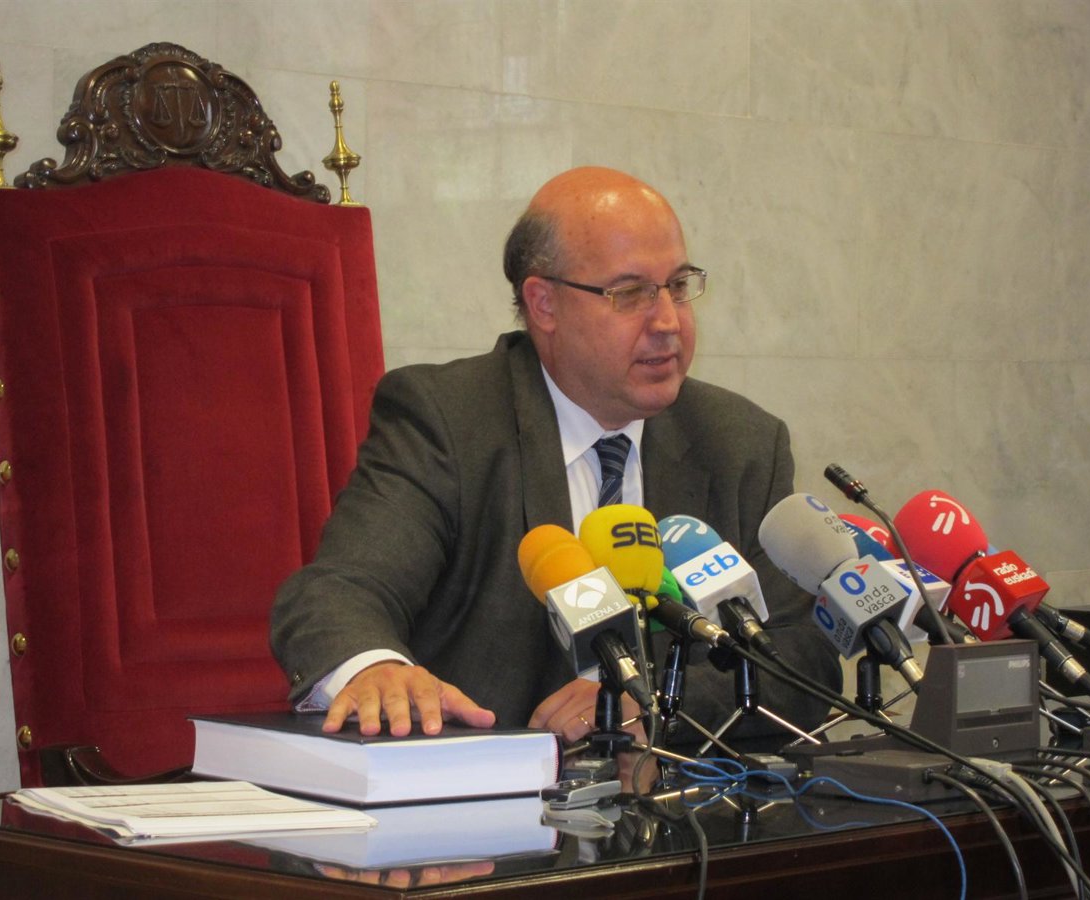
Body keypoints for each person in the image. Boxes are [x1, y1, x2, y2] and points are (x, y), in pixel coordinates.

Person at [270, 166, 842, 756]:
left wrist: (654, 705)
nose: (669, 321)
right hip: (485, 788)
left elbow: (802, 659)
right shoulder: (450, 421)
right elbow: (341, 590)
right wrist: (375, 668)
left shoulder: (740, 442)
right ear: (543, 303)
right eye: (631, 293)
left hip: (675, 800)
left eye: (677, 285)